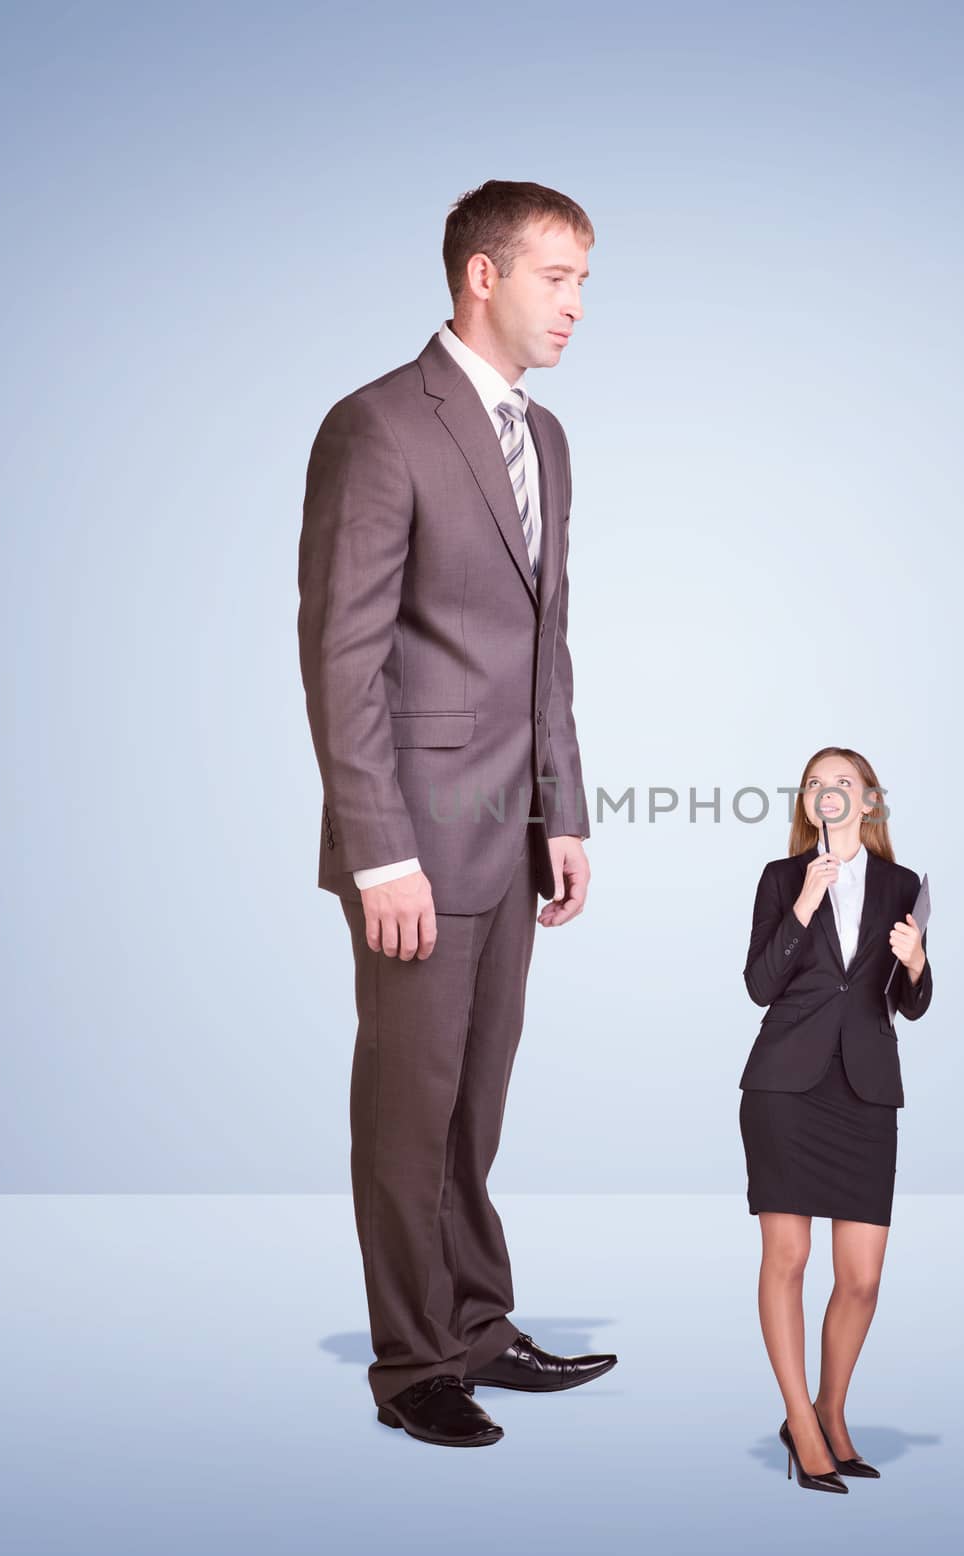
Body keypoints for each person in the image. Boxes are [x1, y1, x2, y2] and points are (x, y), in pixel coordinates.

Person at [296, 180, 616, 1449]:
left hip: (512, 830)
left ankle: (480, 1326)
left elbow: (549, 647)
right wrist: (379, 853)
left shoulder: (546, 441)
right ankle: (413, 1365)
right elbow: (342, 657)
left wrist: (566, 813)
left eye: (587, 283)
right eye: (559, 279)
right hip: (413, 846)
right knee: (410, 1104)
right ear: (481, 276)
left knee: (475, 1103)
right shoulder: (376, 426)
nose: (578, 307)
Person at [739, 747, 933, 1491]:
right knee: (786, 1260)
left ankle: (830, 1409)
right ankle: (802, 1424)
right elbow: (759, 985)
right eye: (816, 785)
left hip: (865, 1091)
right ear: (806, 803)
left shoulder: (903, 885)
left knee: (862, 1277)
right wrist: (803, 907)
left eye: (842, 783)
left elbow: (910, 1002)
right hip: (785, 1088)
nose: (828, 793)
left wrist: (916, 962)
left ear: (870, 802)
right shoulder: (782, 879)